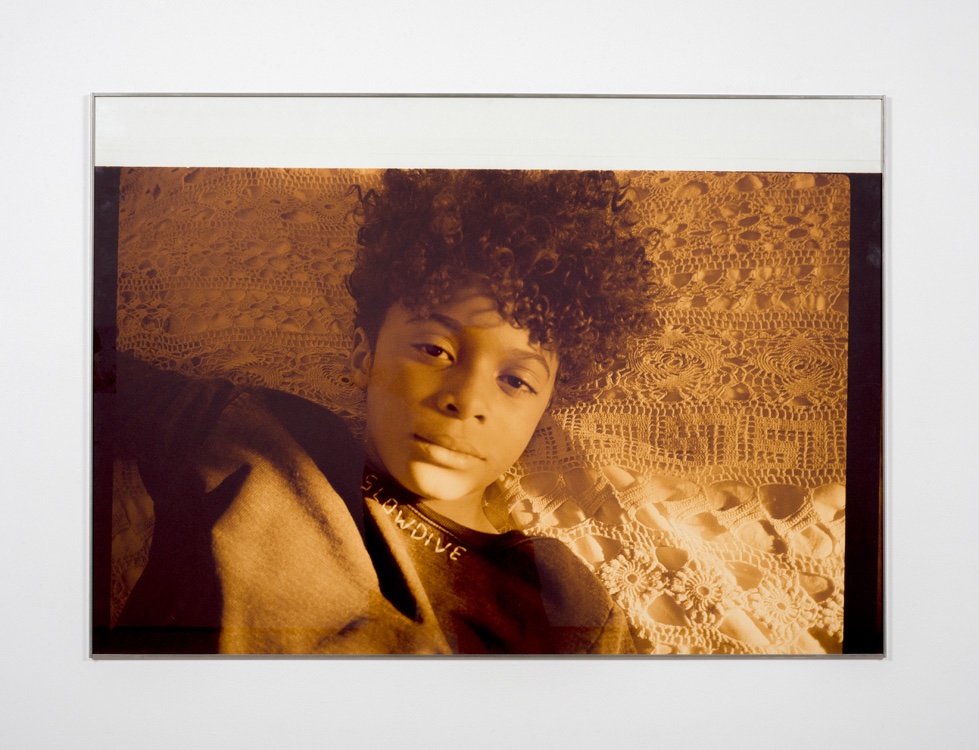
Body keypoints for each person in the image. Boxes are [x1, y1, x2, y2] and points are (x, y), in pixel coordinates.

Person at [103, 169, 656, 655]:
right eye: (435, 350)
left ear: (544, 411)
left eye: (516, 381)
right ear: (363, 355)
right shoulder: (262, 431)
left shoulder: (558, 597)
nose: (465, 400)